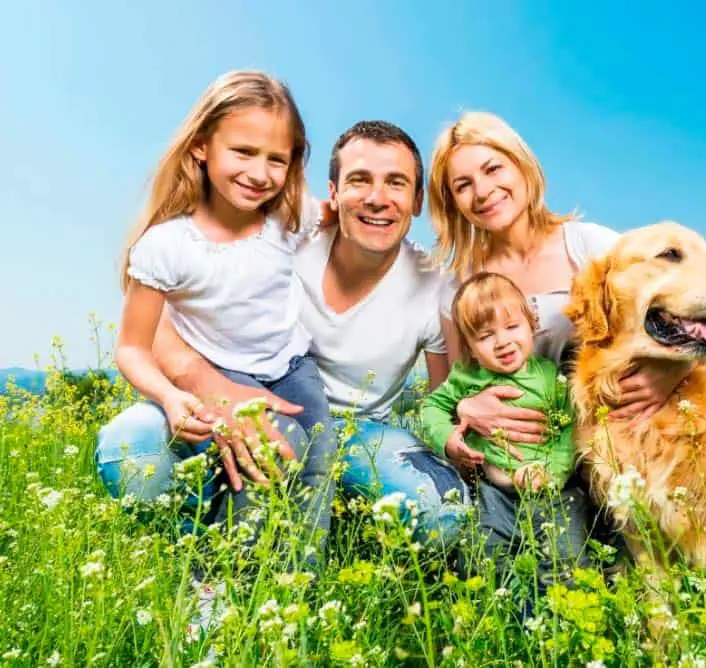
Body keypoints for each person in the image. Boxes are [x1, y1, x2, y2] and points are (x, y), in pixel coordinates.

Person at [95, 119, 471, 555]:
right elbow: (158, 310)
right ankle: (216, 555)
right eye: (359, 180)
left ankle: (322, 528)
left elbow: (442, 398)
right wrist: (204, 383)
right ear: (332, 193)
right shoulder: (283, 235)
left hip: (357, 435)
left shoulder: (434, 284)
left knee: (441, 507)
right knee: (130, 450)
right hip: (230, 397)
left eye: (397, 183)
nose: (377, 198)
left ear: (418, 200)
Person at [426, 111, 693, 553]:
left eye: (493, 168)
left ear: (522, 166)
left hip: (605, 442)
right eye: (463, 184)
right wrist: (470, 411)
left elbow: (681, 313)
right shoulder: (460, 285)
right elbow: (454, 391)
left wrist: (667, 374)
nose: (483, 191)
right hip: (516, 462)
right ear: (452, 201)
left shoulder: (589, 246)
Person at [111, 69, 336, 565]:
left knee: (319, 459)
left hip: (294, 369)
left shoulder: (289, 214)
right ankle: (222, 584)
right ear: (200, 148)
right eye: (243, 152)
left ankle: (302, 582)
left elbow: (336, 212)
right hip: (221, 369)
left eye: (277, 159)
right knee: (258, 459)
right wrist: (172, 397)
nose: (260, 173)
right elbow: (131, 347)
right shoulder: (167, 246)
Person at [420, 272, 589, 607]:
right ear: (468, 346)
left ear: (532, 324)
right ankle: (508, 618)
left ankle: (558, 623)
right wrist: (449, 441)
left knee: (566, 559)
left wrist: (549, 473)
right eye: (485, 335)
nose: (502, 342)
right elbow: (430, 408)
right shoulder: (466, 378)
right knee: (480, 557)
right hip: (494, 493)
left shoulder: (549, 377)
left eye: (512, 328)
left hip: (555, 493)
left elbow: (569, 429)